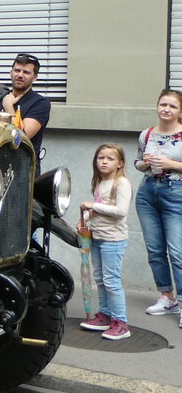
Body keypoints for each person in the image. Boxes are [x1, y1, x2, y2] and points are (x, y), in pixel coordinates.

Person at [134, 88, 182, 325]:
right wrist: (144, 164)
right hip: (147, 194)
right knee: (155, 250)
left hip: (176, 195)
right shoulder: (147, 134)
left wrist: (170, 163)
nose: (166, 109)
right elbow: (137, 161)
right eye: (163, 104)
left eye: (172, 106)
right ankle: (167, 296)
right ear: (157, 106)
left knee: (177, 252)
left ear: (180, 111)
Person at [77, 144, 133, 340]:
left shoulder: (122, 183)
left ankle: (121, 322)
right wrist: (85, 220)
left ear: (120, 164)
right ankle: (105, 315)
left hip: (113, 240)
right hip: (98, 237)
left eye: (110, 158)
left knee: (112, 280)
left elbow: (121, 211)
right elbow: (97, 211)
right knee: (100, 278)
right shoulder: (100, 183)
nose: (105, 161)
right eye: (101, 157)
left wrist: (94, 205)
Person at [0, 54, 50, 167]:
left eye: (26, 72)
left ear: (35, 77)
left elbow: (21, 137)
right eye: (17, 70)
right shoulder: (0, 98)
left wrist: (8, 108)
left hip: (23, 170)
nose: (20, 75)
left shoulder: (40, 103)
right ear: (11, 72)